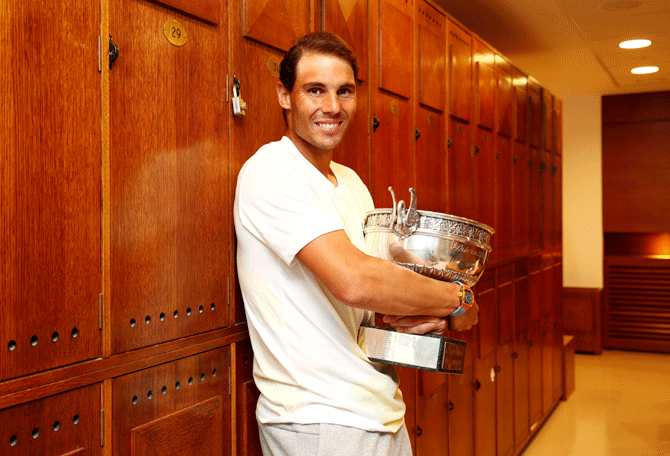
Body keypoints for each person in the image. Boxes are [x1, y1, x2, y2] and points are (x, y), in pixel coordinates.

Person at [233, 32, 479, 456]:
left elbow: (379, 298)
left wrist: (420, 315)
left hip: (379, 409)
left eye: (344, 91)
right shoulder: (272, 171)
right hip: (319, 420)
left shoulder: (351, 184)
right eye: (315, 90)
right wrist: (457, 298)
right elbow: (355, 281)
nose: (332, 106)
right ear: (284, 96)